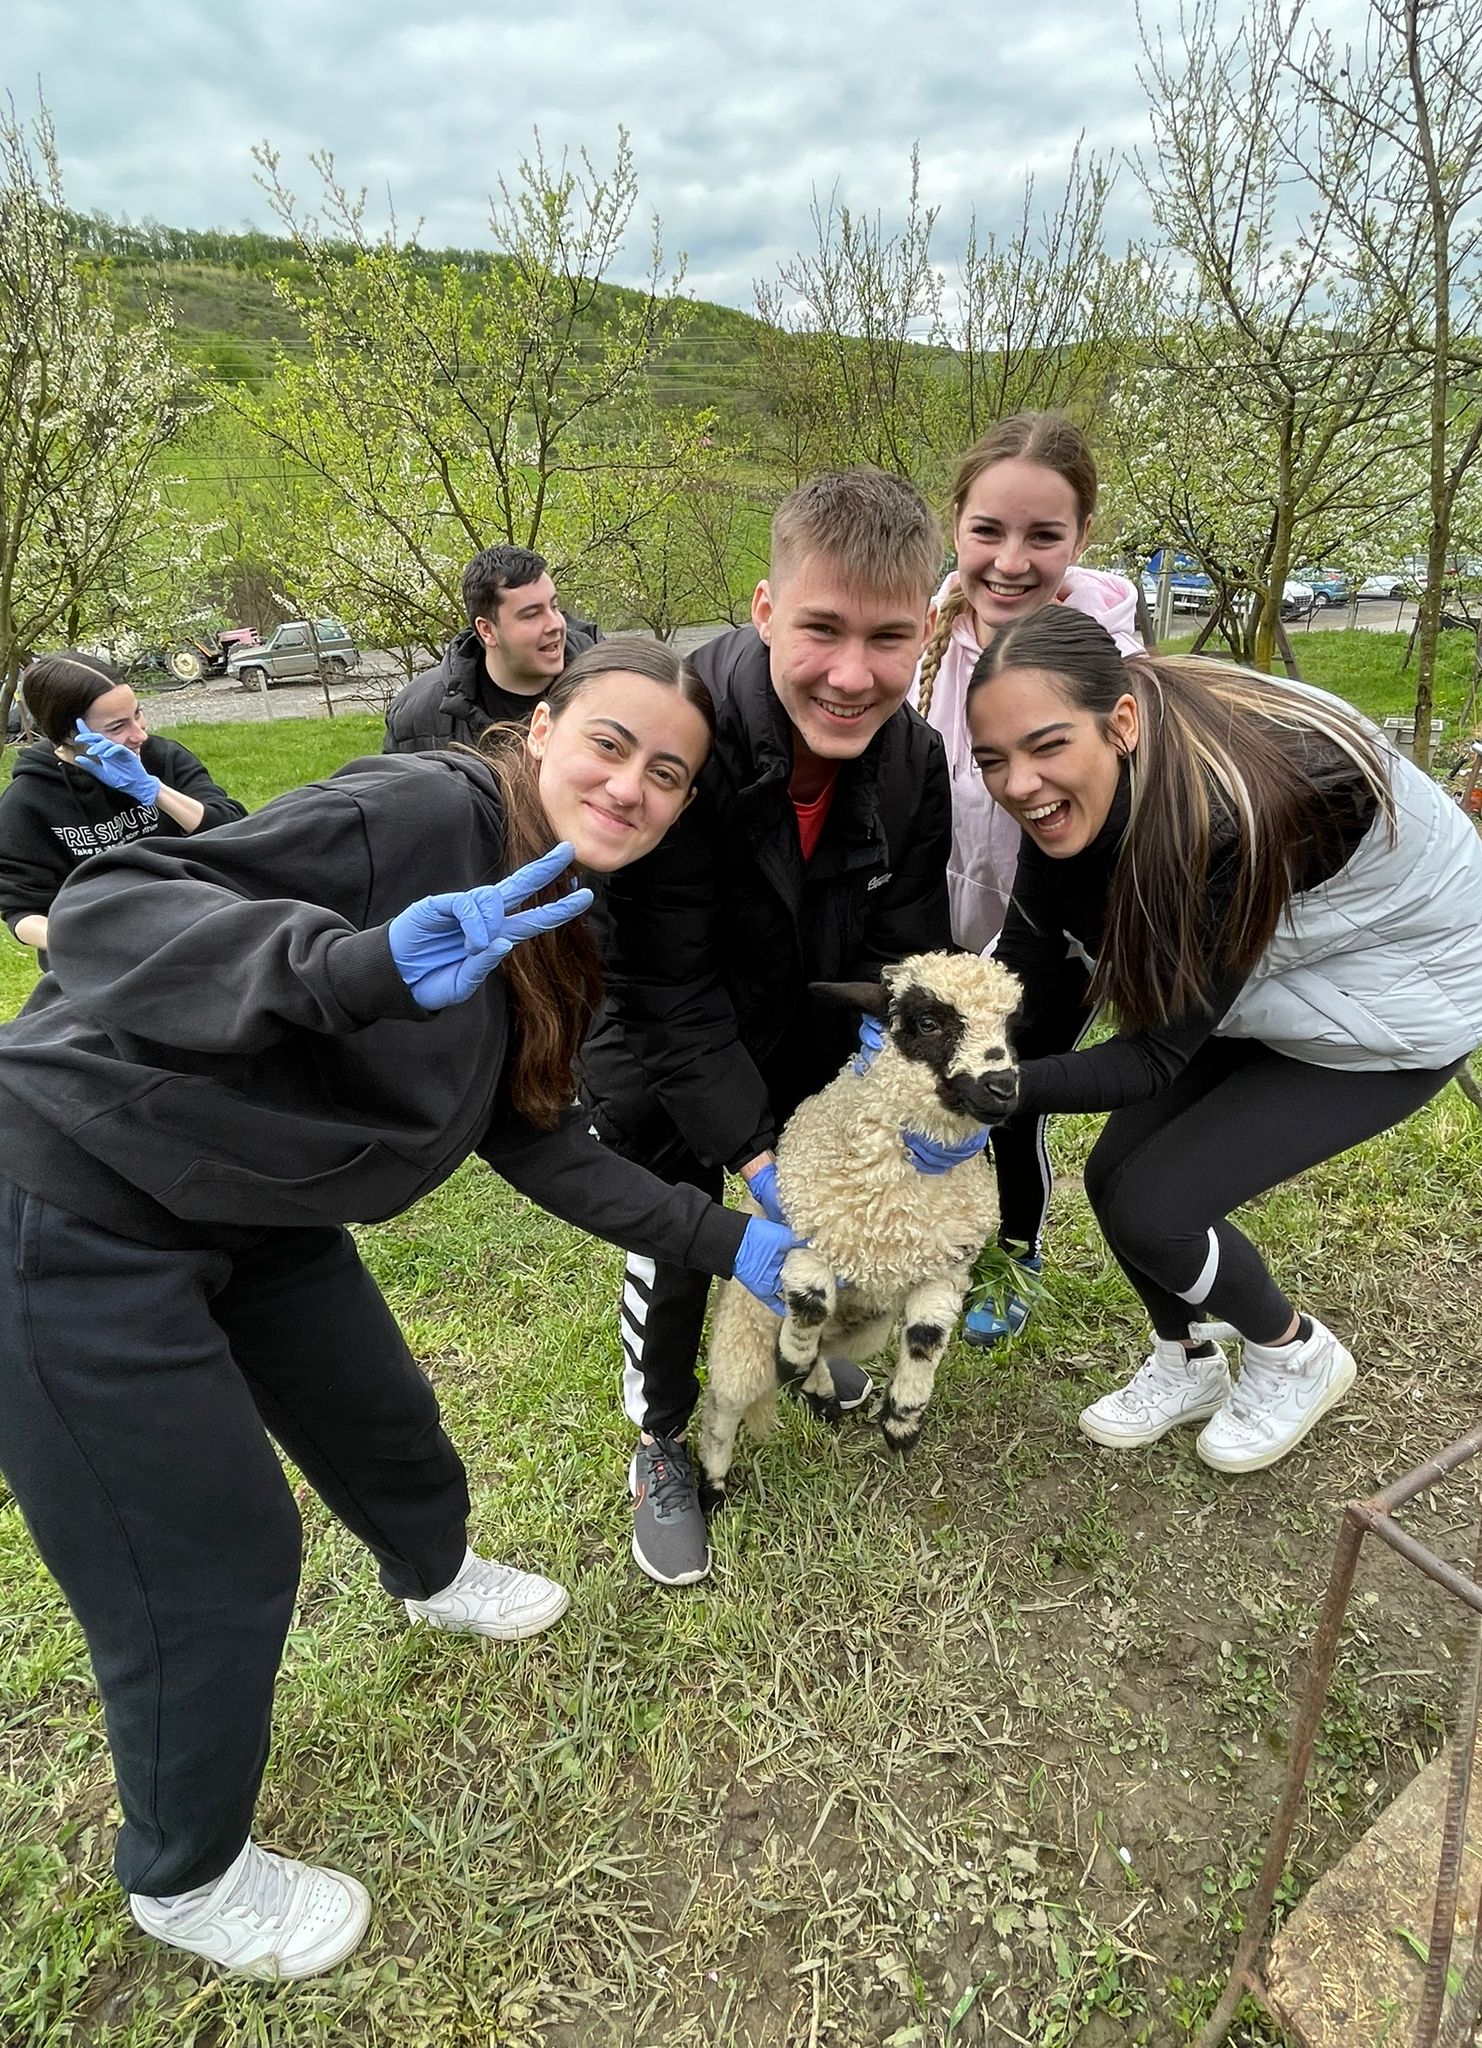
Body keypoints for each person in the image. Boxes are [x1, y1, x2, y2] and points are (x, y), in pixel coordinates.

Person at [0, 638, 805, 1982]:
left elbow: (536, 1136)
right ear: (541, 728)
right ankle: (185, 1878)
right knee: (209, 1563)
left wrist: (733, 1242)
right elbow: (109, 910)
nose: (633, 788)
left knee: (387, 1423)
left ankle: (431, 1576)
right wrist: (351, 965)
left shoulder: (566, 909)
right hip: (71, 1194)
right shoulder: (423, 811)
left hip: (254, 1202)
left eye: (669, 774)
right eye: (610, 744)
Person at [960, 605, 1482, 1473]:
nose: (1019, 783)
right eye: (993, 760)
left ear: (1122, 723)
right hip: (1280, 969)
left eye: (1045, 747)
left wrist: (1003, 1090)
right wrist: (947, 1046)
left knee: (1159, 1207)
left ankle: (1296, 1353)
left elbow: (1150, 1059)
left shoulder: (1223, 820)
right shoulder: (1086, 794)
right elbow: (1032, 964)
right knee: (1113, 1177)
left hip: (1403, 997)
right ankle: (1186, 1359)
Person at [580, 467, 958, 1590]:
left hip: (804, 1047)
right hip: (660, 1050)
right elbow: (664, 990)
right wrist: (753, 1153)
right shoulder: (680, 747)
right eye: (821, 630)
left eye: (889, 638)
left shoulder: (914, 761)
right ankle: (660, 1437)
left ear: (927, 629)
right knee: (685, 1234)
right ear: (762, 608)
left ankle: (805, 1349)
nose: (852, 675)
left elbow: (902, 950)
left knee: (828, 1224)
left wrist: (892, 1090)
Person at [908, 416, 1146, 1347]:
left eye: (1043, 536)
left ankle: (1014, 1251)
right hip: (946, 910)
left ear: (1081, 538)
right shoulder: (928, 632)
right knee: (930, 1080)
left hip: (1052, 932)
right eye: (988, 532)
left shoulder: (1105, 662)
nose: (1011, 561)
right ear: (956, 526)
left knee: (1008, 1093)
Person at [0, 652, 246, 958]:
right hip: (108, 956)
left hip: (200, 921)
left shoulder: (161, 757)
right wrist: (97, 945)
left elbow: (233, 831)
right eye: (117, 727)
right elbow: (22, 912)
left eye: (138, 714)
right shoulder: (28, 801)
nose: (139, 734)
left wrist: (154, 790)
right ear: (69, 732)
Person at [383, 544, 600, 753]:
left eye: (554, 607)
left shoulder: (607, 682)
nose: (555, 624)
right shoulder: (417, 715)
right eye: (532, 615)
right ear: (487, 630)